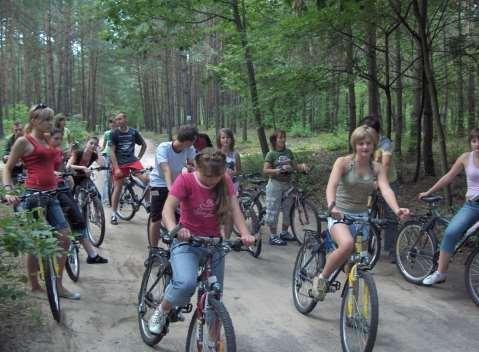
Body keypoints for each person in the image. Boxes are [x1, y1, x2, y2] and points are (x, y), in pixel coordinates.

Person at [147, 148, 255, 334]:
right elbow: (167, 209)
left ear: (222, 172)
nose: (211, 180)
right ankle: (162, 310)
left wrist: (245, 233)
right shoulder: (186, 180)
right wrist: (175, 229)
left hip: (214, 244)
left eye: (216, 176)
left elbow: (235, 209)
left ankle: (214, 339)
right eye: (207, 176)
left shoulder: (225, 181)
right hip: (188, 242)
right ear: (197, 167)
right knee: (186, 283)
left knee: (215, 293)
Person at [312, 125, 409, 301]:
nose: (365, 147)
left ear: (374, 146)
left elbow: (386, 189)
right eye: (361, 143)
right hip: (340, 215)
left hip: (362, 218)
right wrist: (332, 207)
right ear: (355, 144)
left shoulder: (377, 168)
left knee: (358, 261)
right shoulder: (343, 162)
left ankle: (353, 307)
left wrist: (396, 209)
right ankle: (322, 279)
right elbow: (331, 186)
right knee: (347, 245)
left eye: (369, 143)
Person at [3, 104, 80, 300]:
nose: (49, 123)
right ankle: (35, 285)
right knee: (36, 244)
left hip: (52, 195)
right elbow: (8, 168)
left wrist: (65, 169)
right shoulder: (23, 141)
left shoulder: (48, 140)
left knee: (64, 236)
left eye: (50, 119)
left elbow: (54, 161)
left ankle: (59, 285)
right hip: (33, 197)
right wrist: (9, 191)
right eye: (45, 119)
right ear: (34, 121)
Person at [419, 128, 479, 285]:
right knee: (451, 232)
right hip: (472, 206)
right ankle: (440, 272)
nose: (477, 144)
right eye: (474, 141)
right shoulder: (466, 158)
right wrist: (429, 191)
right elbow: (449, 177)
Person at [50, 129, 108, 264]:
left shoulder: (93, 154)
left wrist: (98, 152)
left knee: (95, 194)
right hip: (72, 178)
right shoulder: (78, 153)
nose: (92, 146)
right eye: (91, 143)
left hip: (80, 179)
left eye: (95, 144)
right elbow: (69, 166)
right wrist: (82, 168)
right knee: (74, 200)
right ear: (86, 143)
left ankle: (96, 214)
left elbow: (103, 164)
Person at [148, 125, 197, 247]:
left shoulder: (189, 149)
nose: (193, 144)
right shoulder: (163, 147)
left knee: (179, 216)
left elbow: (193, 164)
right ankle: (153, 249)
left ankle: (176, 246)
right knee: (156, 217)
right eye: (193, 141)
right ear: (187, 141)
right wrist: (171, 189)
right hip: (157, 183)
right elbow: (166, 169)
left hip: (176, 183)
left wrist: (192, 169)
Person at [361, 116, 400, 262]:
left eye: (370, 132)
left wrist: (379, 179)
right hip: (369, 182)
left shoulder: (385, 143)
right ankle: (366, 248)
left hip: (389, 181)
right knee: (367, 215)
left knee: (391, 216)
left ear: (377, 132)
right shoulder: (364, 142)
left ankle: (391, 249)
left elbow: (386, 163)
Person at [263, 129, 308, 246]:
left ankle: (284, 232)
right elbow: (265, 170)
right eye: (280, 137)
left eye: (284, 137)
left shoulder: (289, 152)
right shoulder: (271, 154)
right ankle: (273, 236)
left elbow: (295, 166)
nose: (283, 139)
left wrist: (302, 167)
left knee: (288, 209)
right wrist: (278, 170)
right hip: (275, 184)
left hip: (288, 185)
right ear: (274, 140)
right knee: (273, 210)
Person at [109, 112, 149, 225]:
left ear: (126, 119)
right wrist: (116, 168)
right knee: (118, 186)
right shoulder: (114, 133)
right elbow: (111, 151)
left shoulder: (133, 132)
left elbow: (144, 145)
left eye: (120, 119)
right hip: (120, 163)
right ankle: (113, 213)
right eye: (116, 119)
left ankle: (147, 203)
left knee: (147, 179)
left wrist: (139, 158)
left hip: (132, 161)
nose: (118, 121)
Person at [217, 128, 241, 239]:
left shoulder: (235, 154)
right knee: (219, 213)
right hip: (219, 187)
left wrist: (233, 173)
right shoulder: (216, 154)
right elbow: (211, 171)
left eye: (228, 138)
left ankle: (227, 239)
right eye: (223, 138)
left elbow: (239, 170)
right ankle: (216, 235)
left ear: (231, 139)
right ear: (219, 139)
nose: (225, 140)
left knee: (231, 214)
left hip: (233, 187)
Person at [100, 118, 116, 205]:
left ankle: (118, 196)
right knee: (106, 177)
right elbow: (103, 146)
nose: (112, 124)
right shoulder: (107, 133)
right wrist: (99, 151)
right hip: (107, 154)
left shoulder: (118, 132)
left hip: (116, 155)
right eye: (110, 123)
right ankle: (105, 198)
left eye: (113, 123)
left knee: (117, 175)